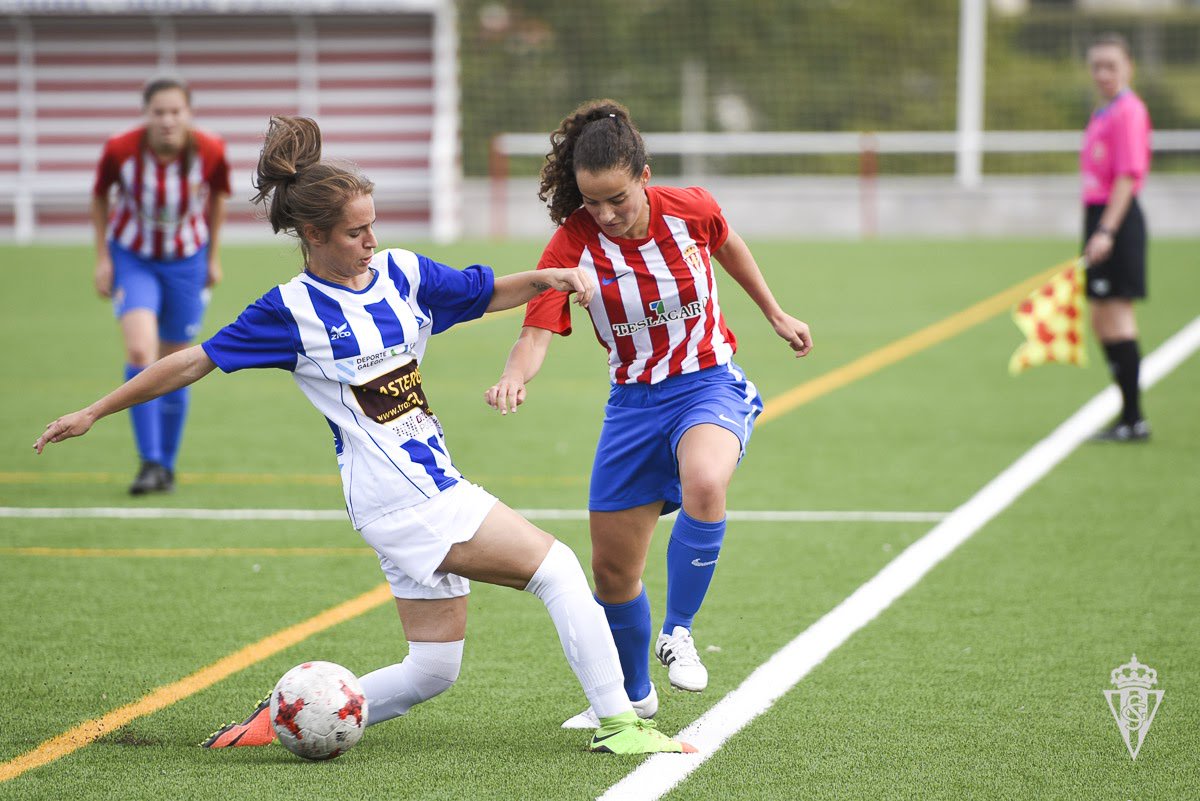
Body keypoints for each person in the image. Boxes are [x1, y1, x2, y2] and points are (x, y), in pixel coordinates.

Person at [37, 116, 693, 756]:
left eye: (373, 224)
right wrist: (96, 410)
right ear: (314, 234)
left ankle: (279, 717)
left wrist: (548, 277)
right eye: (356, 232)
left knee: (431, 669)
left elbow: (486, 290)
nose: (371, 239)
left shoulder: (402, 273)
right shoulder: (290, 310)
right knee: (558, 569)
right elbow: (193, 360)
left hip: (414, 491)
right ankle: (621, 721)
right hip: (406, 498)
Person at [486, 99, 812, 728]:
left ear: (644, 174)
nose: (604, 215)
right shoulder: (572, 243)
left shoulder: (690, 209)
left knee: (706, 480)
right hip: (632, 406)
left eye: (618, 200)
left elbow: (729, 242)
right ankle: (635, 695)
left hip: (707, 384)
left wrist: (774, 312)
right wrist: (511, 376)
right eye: (592, 203)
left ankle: (680, 630)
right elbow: (535, 333)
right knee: (612, 572)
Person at [91, 75, 232, 494]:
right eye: (159, 112)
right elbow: (99, 197)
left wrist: (212, 256)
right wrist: (102, 257)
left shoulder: (210, 149)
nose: (167, 120)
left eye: (176, 111)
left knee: (175, 361)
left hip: (186, 262)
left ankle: (166, 466)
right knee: (139, 350)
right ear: (146, 115)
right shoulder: (120, 149)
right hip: (133, 259)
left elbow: (219, 197)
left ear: (188, 114)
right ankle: (149, 461)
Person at [1080, 33, 1153, 442]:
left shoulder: (1129, 111)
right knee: (1099, 315)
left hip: (1116, 219)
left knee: (1117, 313)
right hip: (1098, 216)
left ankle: (1133, 417)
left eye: (1111, 65)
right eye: (1097, 66)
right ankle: (1127, 413)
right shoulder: (1102, 112)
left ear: (1129, 67)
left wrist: (1107, 229)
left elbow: (1128, 175)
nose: (1103, 73)